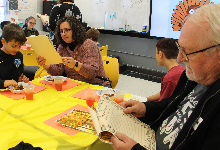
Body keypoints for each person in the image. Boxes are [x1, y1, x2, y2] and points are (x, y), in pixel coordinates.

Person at [111, 4, 220, 150]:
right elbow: (173, 104)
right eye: (180, 47)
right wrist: (145, 109)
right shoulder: (194, 75)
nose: (180, 59)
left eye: (188, 52)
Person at [37, 16, 111, 87]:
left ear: (75, 30)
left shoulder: (88, 45)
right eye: (61, 31)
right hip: (75, 85)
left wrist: (75, 65)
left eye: (66, 30)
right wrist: (46, 64)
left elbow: (92, 73)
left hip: (96, 84)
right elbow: (58, 72)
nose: (63, 34)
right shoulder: (62, 47)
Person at [0, 23, 29, 89]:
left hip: (13, 93)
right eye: (13, 46)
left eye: (19, 46)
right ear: (3, 42)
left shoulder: (19, 55)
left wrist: (20, 79)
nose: (17, 49)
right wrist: (4, 83)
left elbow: (17, 76)